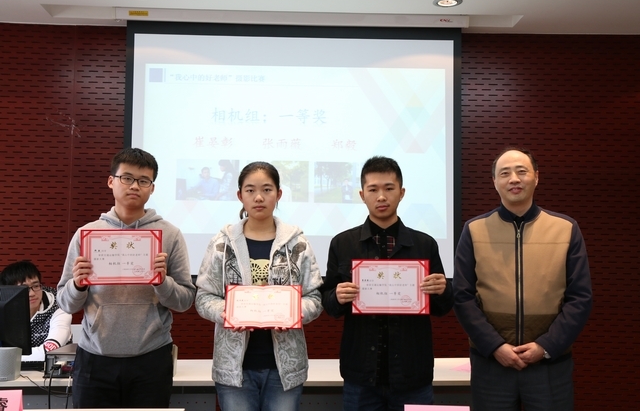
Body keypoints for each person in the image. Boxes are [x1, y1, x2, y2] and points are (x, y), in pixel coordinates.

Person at [453, 147, 593, 411]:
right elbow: (462, 296)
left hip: (549, 364)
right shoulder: (474, 230)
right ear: (494, 181)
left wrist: (545, 346)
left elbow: (580, 298)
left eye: (521, 171)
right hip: (492, 363)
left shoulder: (565, 229)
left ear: (536, 177)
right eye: (505, 173)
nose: (514, 179)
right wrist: (495, 346)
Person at [56, 147, 196, 408]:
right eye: (127, 178)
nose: (134, 186)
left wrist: (162, 282)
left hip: (151, 357)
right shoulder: (88, 235)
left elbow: (185, 300)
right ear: (111, 181)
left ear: (152, 188)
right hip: (95, 357)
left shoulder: (170, 234)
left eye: (144, 181)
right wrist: (77, 285)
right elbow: (65, 302)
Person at [321, 156, 453, 411]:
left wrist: (443, 290)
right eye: (373, 189)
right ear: (362, 195)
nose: (381, 196)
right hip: (361, 375)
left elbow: (442, 308)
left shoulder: (424, 244)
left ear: (401, 193)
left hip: (412, 374)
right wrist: (336, 296)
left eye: (389, 188)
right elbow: (329, 305)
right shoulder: (343, 243)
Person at [195, 161, 323, 411]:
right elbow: (204, 297)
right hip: (234, 370)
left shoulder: (298, 243)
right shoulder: (221, 243)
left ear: (279, 194)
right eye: (250, 190)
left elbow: (314, 297)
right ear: (239, 195)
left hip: (284, 370)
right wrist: (227, 313)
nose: (259, 197)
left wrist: (293, 313)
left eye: (267, 189)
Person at [0, 260, 72, 362]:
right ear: (9, 292)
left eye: (36, 286)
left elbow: (49, 352)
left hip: (52, 369)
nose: (32, 293)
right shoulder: (3, 310)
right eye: (24, 288)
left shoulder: (61, 304)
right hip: (9, 368)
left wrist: (7, 357)